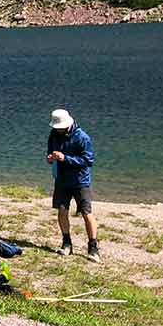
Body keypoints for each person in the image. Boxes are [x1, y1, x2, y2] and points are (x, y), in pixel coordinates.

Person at [46, 108, 99, 263]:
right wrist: (50, 158)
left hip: (80, 181)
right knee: (62, 211)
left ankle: (93, 247)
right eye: (56, 128)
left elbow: (88, 161)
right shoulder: (54, 134)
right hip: (61, 180)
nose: (58, 130)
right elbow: (50, 151)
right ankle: (66, 243)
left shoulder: (82, 137)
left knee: (86, 213)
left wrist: (65, 158)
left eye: (60, 128)